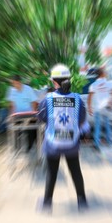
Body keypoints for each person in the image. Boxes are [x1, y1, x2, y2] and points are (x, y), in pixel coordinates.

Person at [38, 64, 88, 213]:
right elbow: (82, 119)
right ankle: (82, 202)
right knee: (76, 172)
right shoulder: (78, 99)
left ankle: (47, 204)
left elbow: (41, 118)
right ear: (69, 79)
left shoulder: (47, 99)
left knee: (51, 173)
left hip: (53, 144)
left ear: (54, 82)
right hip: (72, 144)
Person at [7, 75, 38, 151]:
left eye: (14, 83)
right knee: (15, 129)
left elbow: (34, 102)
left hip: (28, 113)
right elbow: (11, 104)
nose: (14, 85)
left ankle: (30, 145)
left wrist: (33, 114)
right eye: (12, 84)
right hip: (18, 114)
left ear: (19, 82)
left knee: (31, 130)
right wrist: (11, 114)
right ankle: (16, 147)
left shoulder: (28, 89)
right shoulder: (12, 90)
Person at [87, 68, 112, 151]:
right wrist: (111, 104)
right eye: (105, 72)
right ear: (102, 74)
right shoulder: (109, 83)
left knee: (98, 126)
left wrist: (89, 108)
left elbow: (89, 97)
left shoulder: (93, 85)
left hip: (98, 109)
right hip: (106, 108)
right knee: (107, 125)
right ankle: (109, 142)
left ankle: (96, 144)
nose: (106, 73)